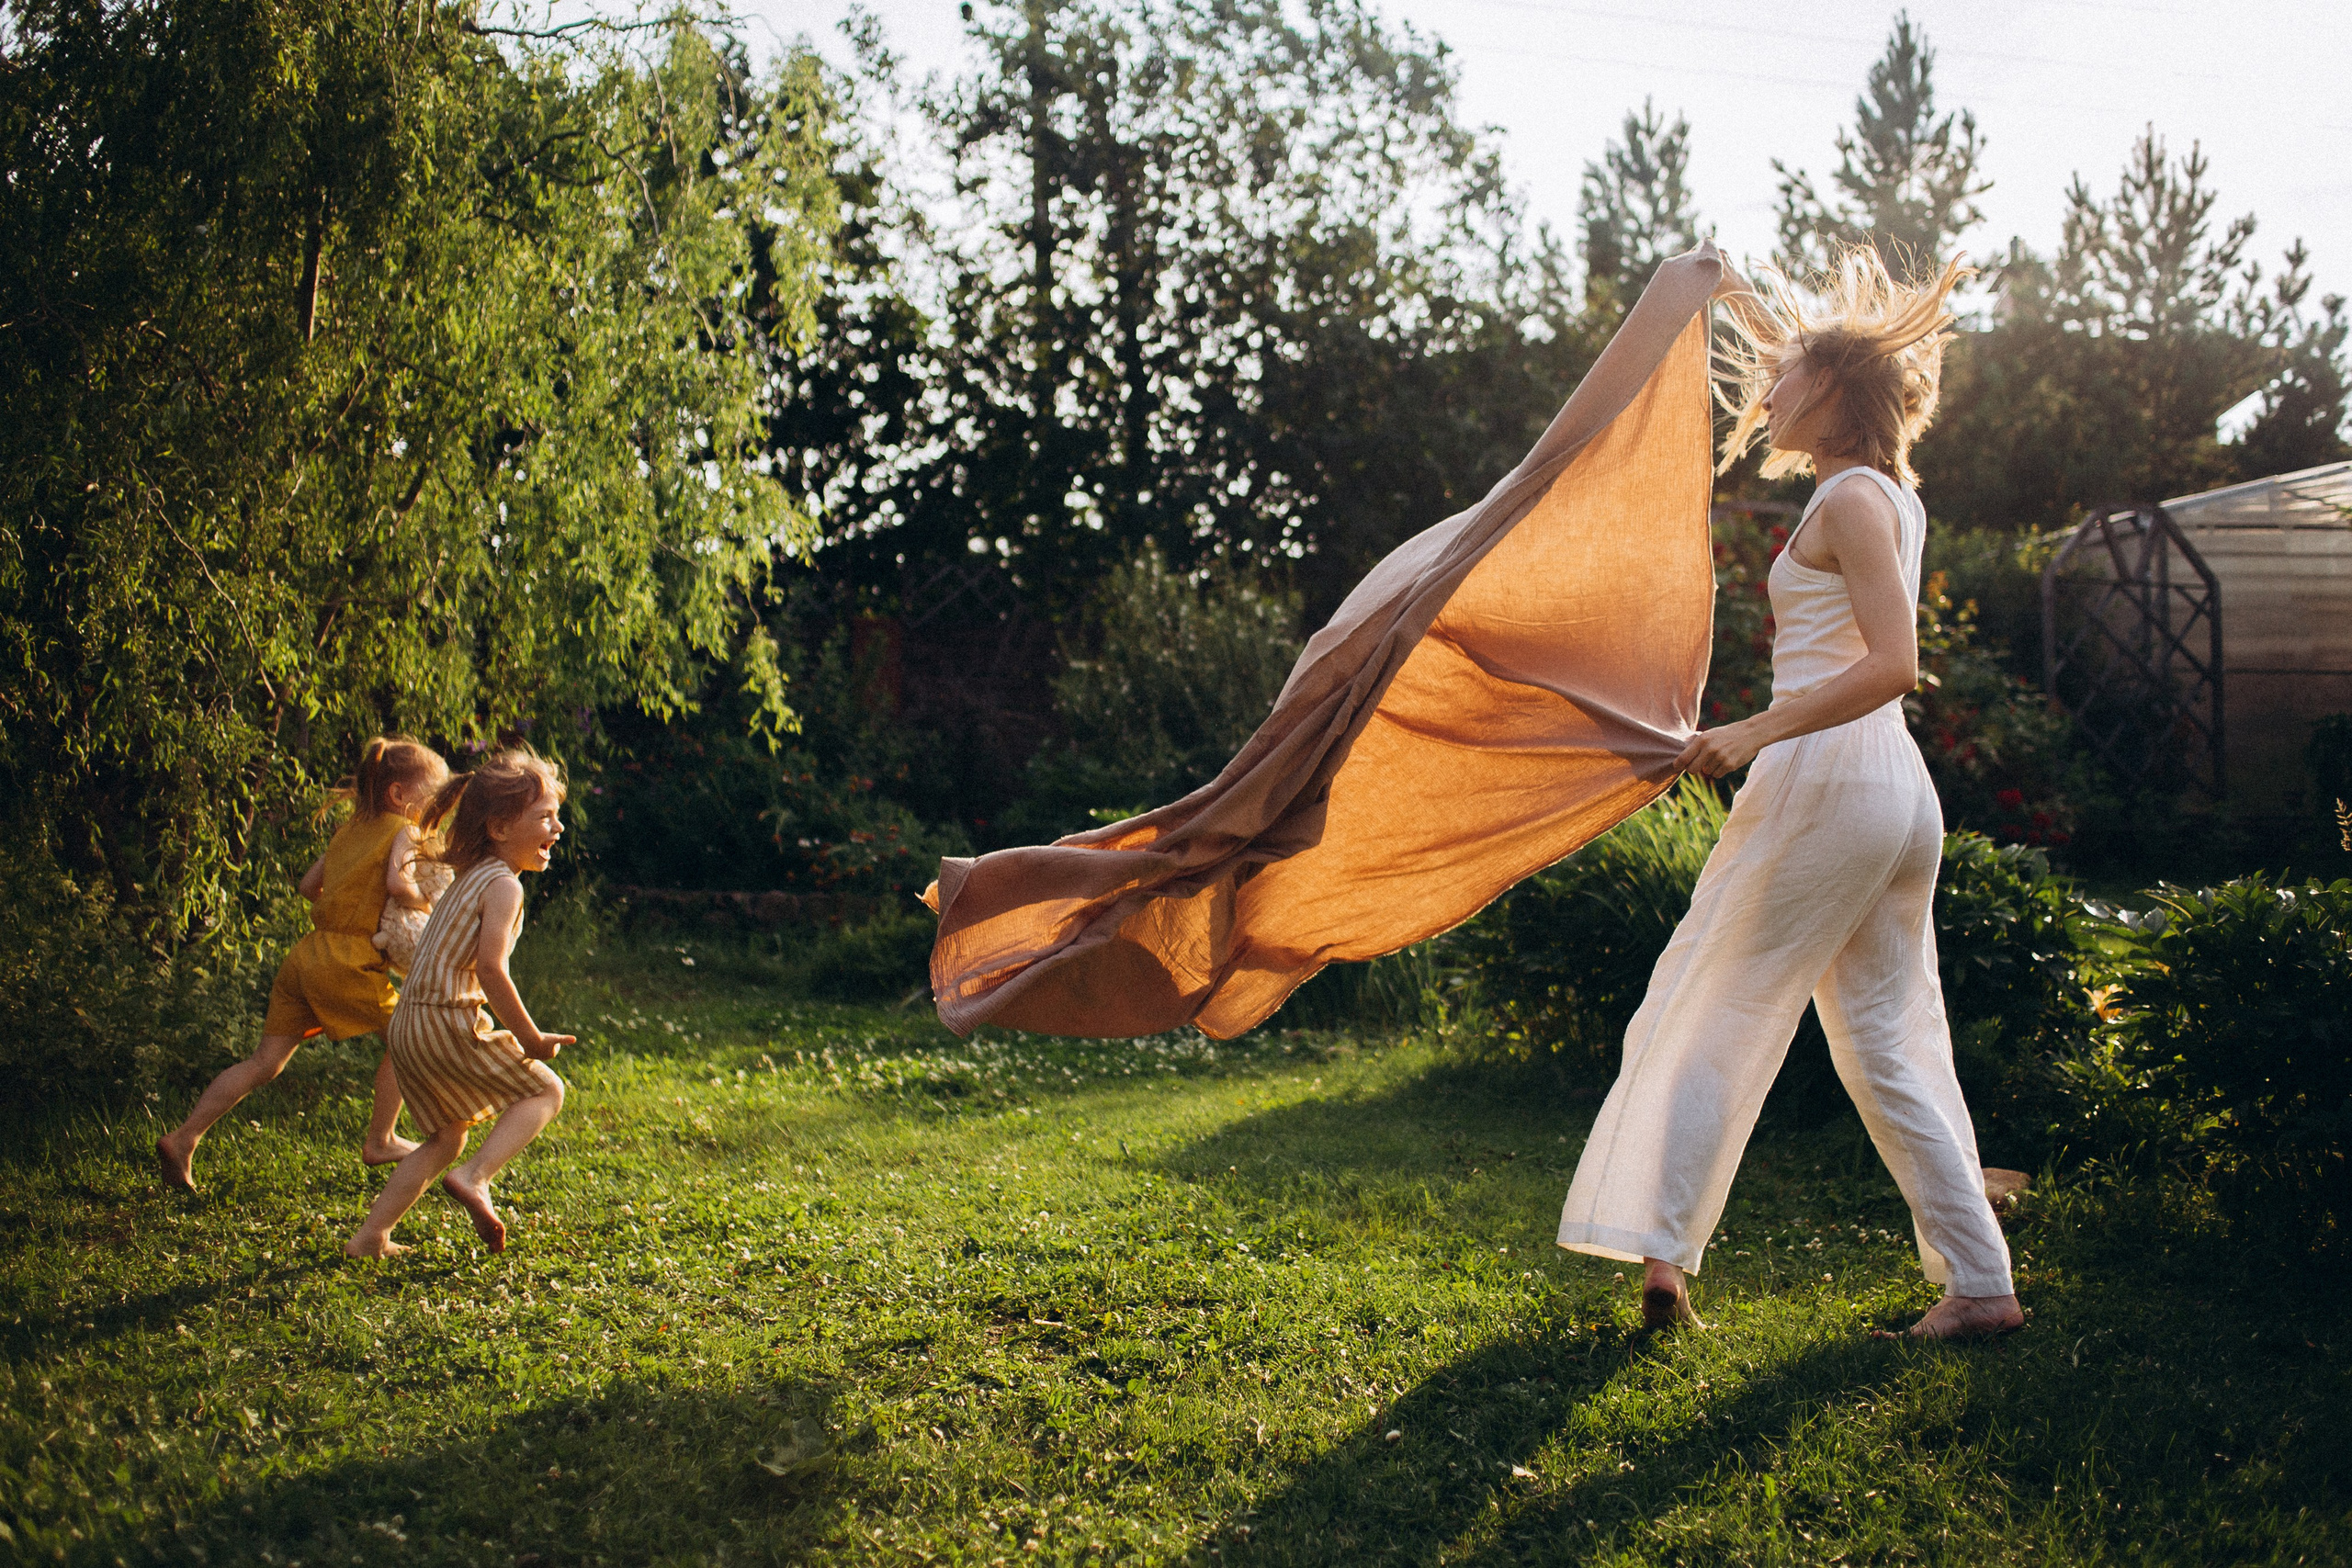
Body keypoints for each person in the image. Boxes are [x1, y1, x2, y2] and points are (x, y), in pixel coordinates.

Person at [1555, 245, 2023, 1342]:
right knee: (1889, 1042)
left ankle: (1661, 1260)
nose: (1763, 393)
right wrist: (1735, 294)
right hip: (1890, 792)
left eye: (1783, 378)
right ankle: (1980, 1287)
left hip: (1829, 778)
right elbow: (1804, 355)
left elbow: (1896, 663)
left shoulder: (1850, 501)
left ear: (1833, 393)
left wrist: (1748, 732)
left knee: (1712, 1007)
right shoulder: (1882, 492)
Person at [158, 737, 449, 1191]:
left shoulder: (348, 831)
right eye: (432, 796)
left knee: (264, 1061)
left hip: (308, 954)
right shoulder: (404, 830)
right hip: (348, 960)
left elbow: (308, 886)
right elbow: (398, 884)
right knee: (406, 1039)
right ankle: (382, 1139)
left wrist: (347, 899)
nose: (435, 808)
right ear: (398, 794)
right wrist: (427, 903)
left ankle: (184, 1137)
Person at [346, 748, 572, 1258]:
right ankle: (475, 1178)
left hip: (408, 1023)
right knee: (546, 1091)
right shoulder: (504, 886)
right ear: (499, 827)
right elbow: (491, 970)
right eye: (545, 817)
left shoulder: (469, 875)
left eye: (556, 816)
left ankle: (370, 1237)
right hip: (443, 1019)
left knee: (446, 1137)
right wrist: (531, 1038)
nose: (557, 828)